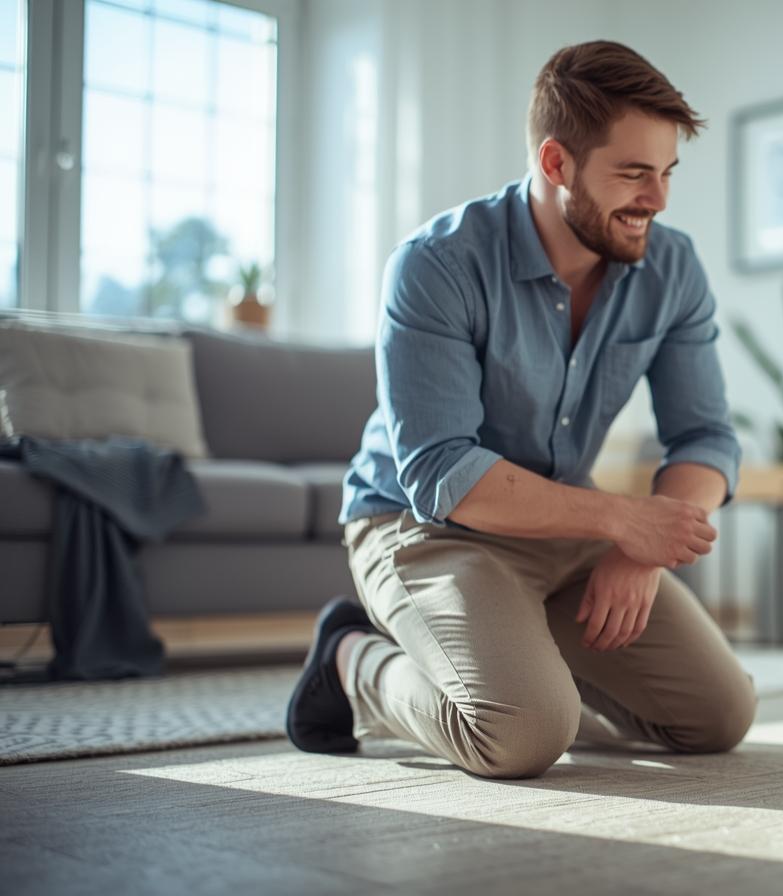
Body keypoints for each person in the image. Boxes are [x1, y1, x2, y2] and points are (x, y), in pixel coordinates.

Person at [285, 40, 755, 779]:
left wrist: (639, 548)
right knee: (522, 736)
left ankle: (528, 673)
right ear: (555, 163)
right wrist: (623, 521)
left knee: (718, 717)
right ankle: (351, 660)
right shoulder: (436, 265)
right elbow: (442, 471)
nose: (657, 201)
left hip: (568, 526)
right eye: (633, 174)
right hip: (421, 526)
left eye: (666, 174)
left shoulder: (672, 266)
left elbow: (704, 435)